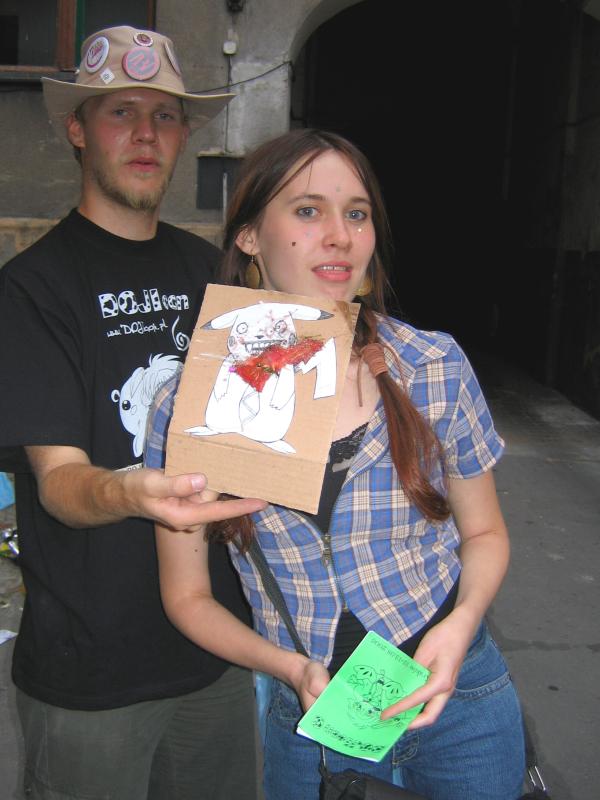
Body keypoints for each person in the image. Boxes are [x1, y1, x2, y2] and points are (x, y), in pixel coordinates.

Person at [145, 129, 526, 800]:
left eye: (356, 213)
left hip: (459, 697)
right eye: (307, 210)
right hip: (312, 719)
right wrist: (289, 669)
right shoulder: (192, 405)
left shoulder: (432, 365)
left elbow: (486, 532)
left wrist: (462, 623)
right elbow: (187, 597)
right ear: (249, 237)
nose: (340, 236)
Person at [0, 25, 265, 800]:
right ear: (78, 130)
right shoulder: (32, 288)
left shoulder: (212, 270)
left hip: (217, 651)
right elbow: (58, 483)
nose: (146, 133)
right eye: (122, 112)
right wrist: (132, 490)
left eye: (165, 115)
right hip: (92, 673)